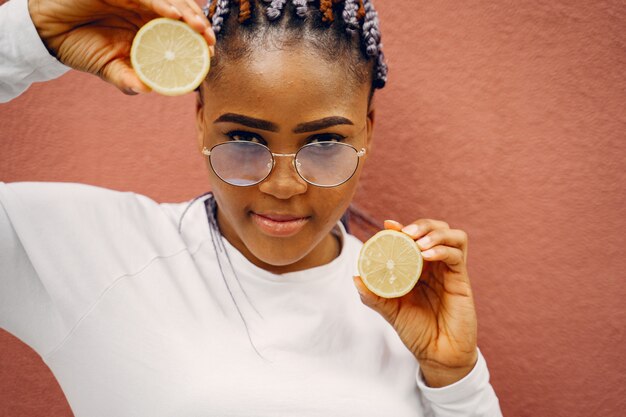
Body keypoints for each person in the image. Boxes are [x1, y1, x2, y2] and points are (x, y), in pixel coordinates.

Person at [0, 0, 503, 415]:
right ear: (200, 121)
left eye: (325, 142)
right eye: (242, 138)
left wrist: (455, 380)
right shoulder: (99, 254)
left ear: (368, 129)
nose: (282, 186)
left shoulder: (409, 310)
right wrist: (25, 37)